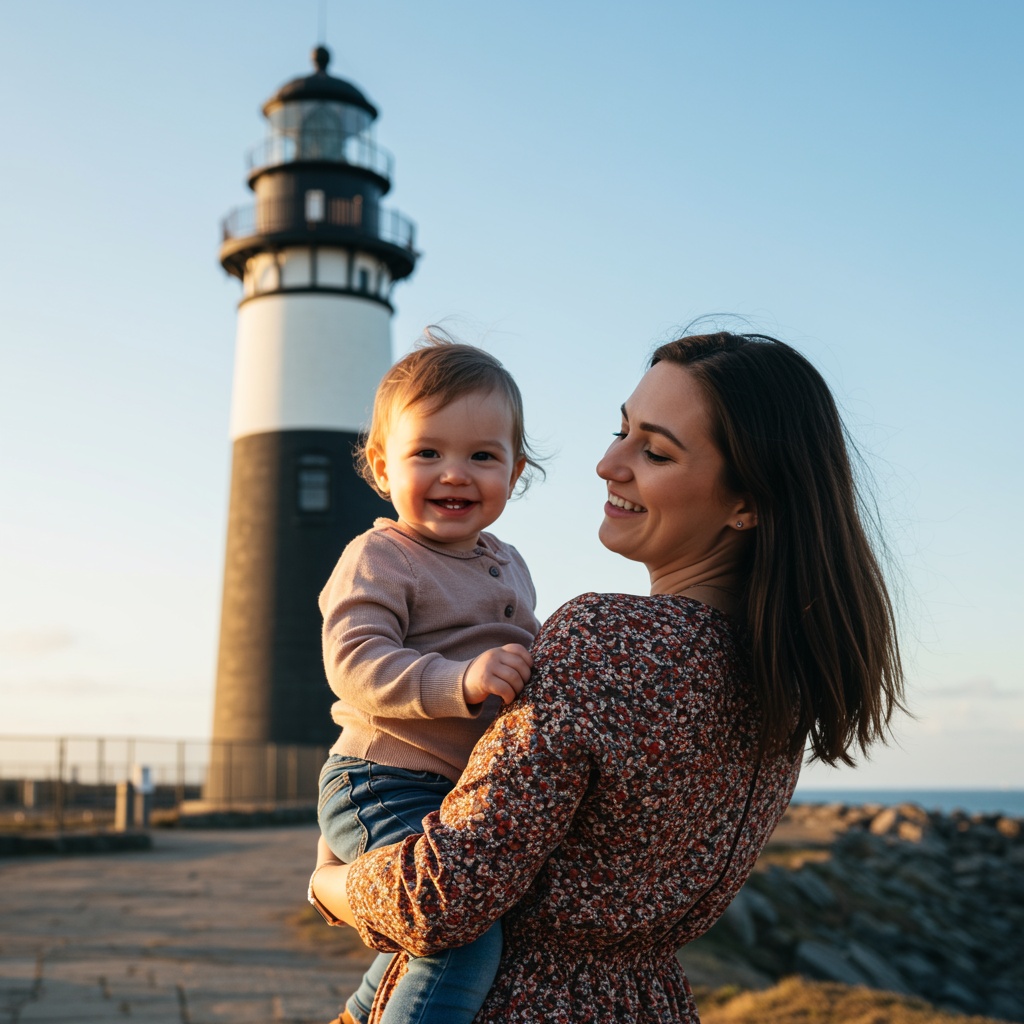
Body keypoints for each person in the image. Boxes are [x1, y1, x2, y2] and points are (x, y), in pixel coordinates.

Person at [309, 330, 906, 1024]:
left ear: (748, 504)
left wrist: (331, 886)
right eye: (621, 431)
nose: (606, 464)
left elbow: (441, 896)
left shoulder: (605, 642)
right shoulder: (783, 677)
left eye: (653, 450)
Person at [313, 335, 544, 1024]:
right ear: (383, 467)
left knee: (428, 929)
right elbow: (354, 662)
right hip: (380, 776)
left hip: (452, 787)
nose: (455, 473)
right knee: (456, 930)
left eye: (482, 456)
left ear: (515, 469)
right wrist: (459, 679)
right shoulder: (381, 555)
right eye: (427, 453)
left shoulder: (510, 562)